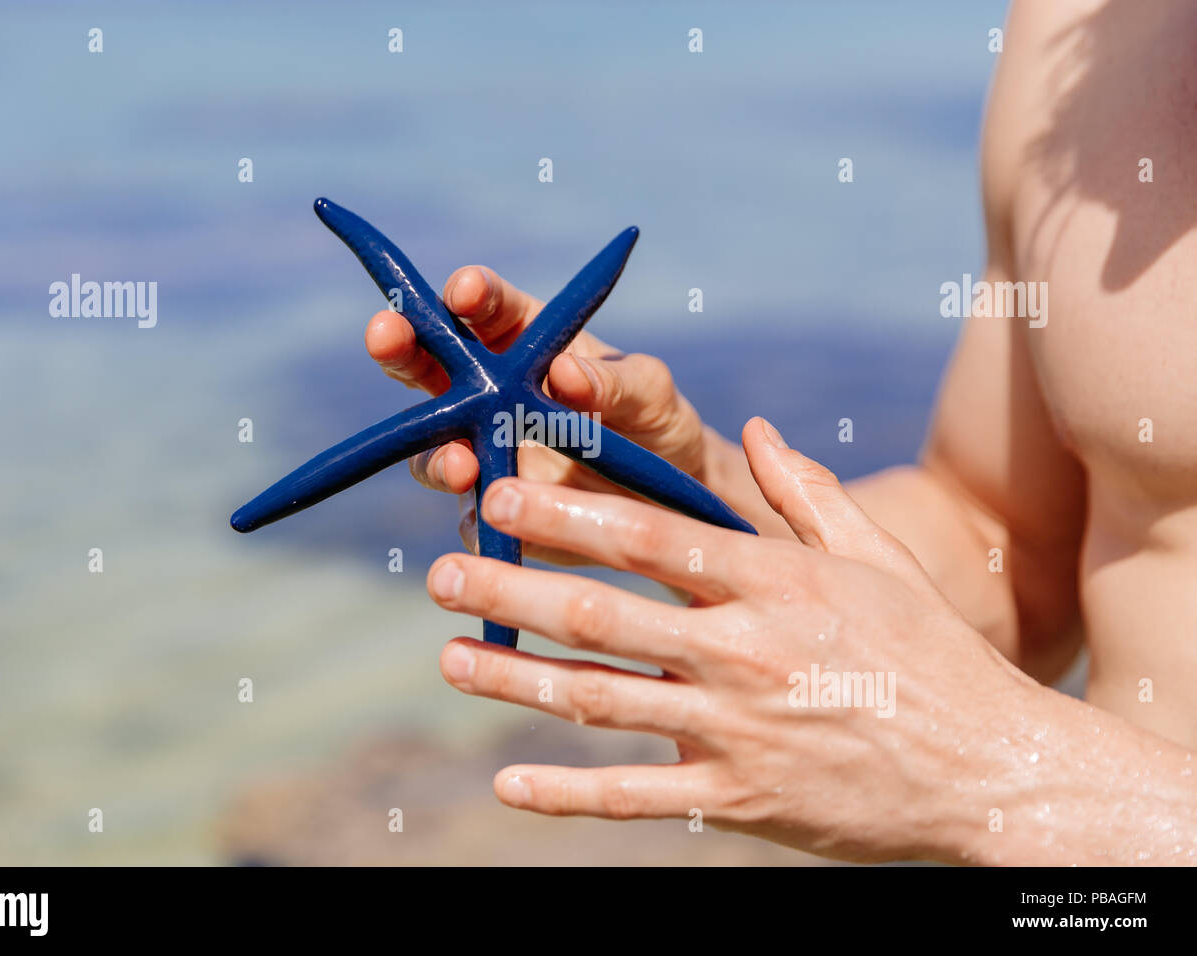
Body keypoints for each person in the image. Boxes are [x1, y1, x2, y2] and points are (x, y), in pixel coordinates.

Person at [360, 0, 1197, 863]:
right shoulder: (1077, 29)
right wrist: (697, 497)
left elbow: (988, 756)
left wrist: (1005, 775)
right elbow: (1008, 545)